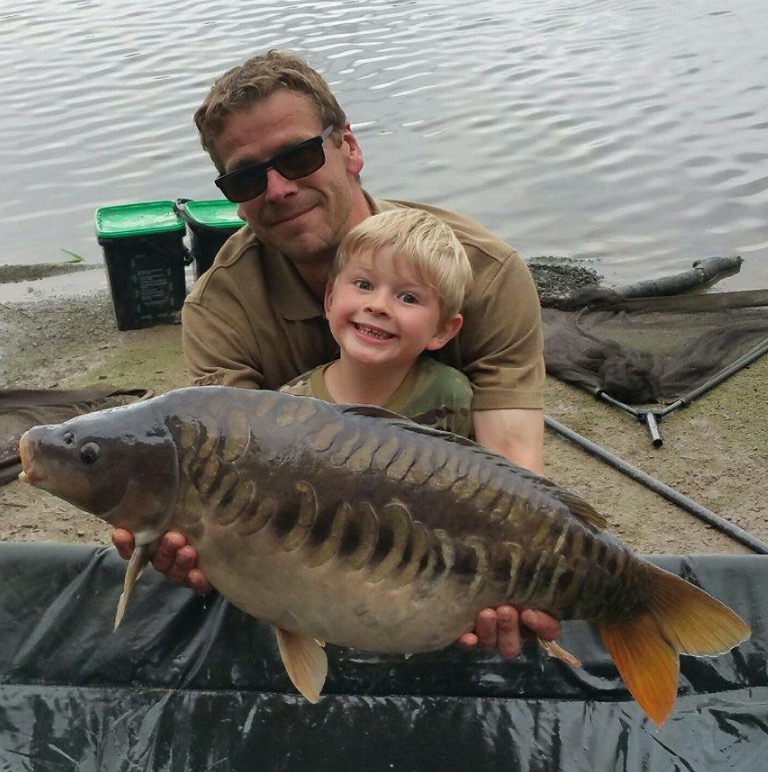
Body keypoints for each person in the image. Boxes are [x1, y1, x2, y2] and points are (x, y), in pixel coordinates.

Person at [113, 49, 560, 658]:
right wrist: (177, 532)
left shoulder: (485, 271)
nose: (278, 188)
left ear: (348, 145)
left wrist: (517, 581)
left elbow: (512, 462)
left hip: (450, 544)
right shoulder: (219, 309)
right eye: (247, 177)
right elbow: (228, 480)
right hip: (312, 551)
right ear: (232, 196)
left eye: (298, 156)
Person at [280, 207, 474, 437]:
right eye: (364, 285)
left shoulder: (451, 395)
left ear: (441, 330)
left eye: (408, 298)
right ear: (330, 300)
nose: (379, 305)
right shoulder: (288, 405)